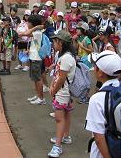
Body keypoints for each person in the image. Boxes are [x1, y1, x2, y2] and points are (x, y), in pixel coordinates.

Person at [85, 51, 121, 158]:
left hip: (103, 153)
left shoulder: (97, 99)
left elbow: (98, 137)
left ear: (100, 72)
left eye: (95, 66)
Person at [47, 30, 76, 158]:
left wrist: (53, 90)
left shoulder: (66, 58)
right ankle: (66, 136)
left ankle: (57, 147)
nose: (53, 43)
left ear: (62, 43)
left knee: (59, 118)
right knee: (67, 113)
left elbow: (62, 78)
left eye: (55, 41)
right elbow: (59, 75)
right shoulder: (65, 56)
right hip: (65, 91)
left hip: (62, 92)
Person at [22, 14, 47, 105]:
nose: (27, 24)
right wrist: (30, 50)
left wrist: (36, 27)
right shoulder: (37, 32)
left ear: (33, 24)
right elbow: (36, 45)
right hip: (34, 57)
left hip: (36, 59)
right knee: (35, 78)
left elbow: (25, 33)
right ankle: (38, 95)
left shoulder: (37, 32)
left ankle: (41, 98)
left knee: (38, 79)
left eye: (29, 22)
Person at [74, 22, 93, 104]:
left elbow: (91, 51)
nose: (77, 30)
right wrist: (74, 40)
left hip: (86, 61)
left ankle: (85, 97)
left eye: (79, 29)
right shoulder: (79, 38)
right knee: (82, 78)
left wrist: (83, 47)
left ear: (83, 30)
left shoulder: (87, 39)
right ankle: (83, 96)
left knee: (86, 79)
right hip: (81, 59)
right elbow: (75, 48)